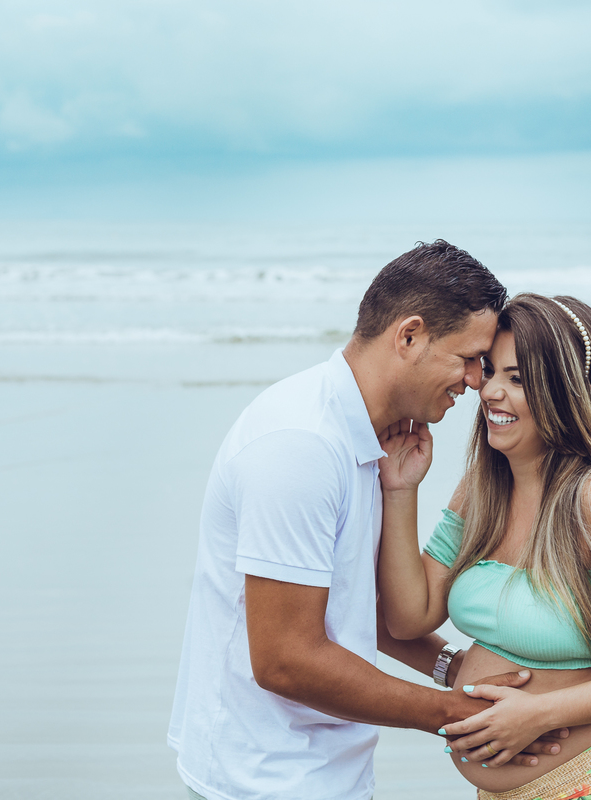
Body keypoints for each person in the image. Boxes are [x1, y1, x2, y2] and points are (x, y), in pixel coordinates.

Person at [168, 243, 570, 800]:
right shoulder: (302, 447)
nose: (478, 381)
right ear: (408, 336)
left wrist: (454, 670)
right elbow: (286, 659)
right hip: (263, 781)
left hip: (328, 773)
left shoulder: (371, 438)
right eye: (469, 357)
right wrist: (454, 713)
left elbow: (355, 608)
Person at [377, 292, 591, 800]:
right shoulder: (481, 490)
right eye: (489, 371)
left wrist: (538, 714)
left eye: (518, 379)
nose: (489, 391)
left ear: (565, 393)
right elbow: (406, 618)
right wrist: (401, 491)